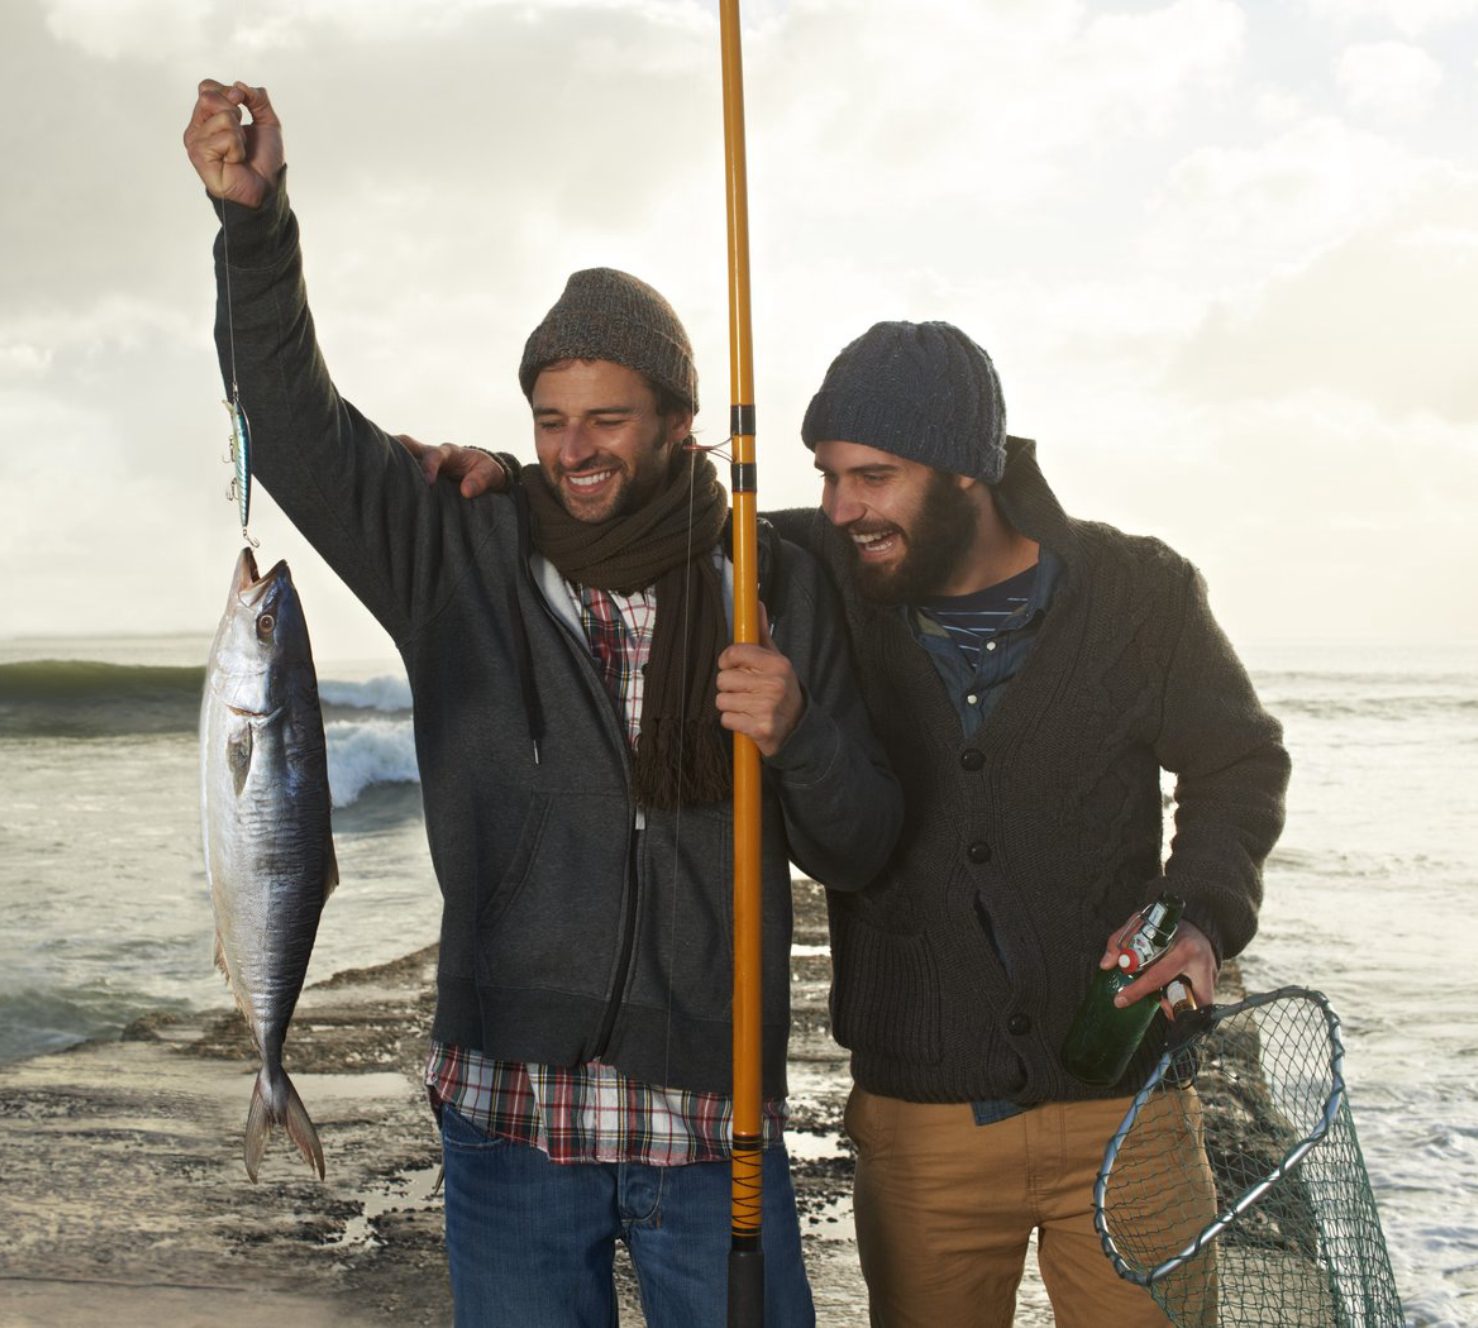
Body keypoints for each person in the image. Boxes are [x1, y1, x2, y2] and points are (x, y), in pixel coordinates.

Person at [183, 80, 902, 1326]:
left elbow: (862, 844)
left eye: (608, 419)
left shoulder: (772, 577)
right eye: (551, 420)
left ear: (679, 423)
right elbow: (293, 427)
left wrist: (801, 737)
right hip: (508, 1113)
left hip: (711, 1115)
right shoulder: (458, 548)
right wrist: (254, 226)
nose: (574, 450)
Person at [418, 319, 1292, 1326]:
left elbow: (1239, 761)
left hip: (1131, 1105)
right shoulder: (814, 568)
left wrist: (1201, 911)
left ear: (967, 470)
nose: (841, 508)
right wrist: (513, 481)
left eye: (872, 477)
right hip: (924, 1123)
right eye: (828, 476)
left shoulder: (1139, 591)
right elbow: (649, 505)